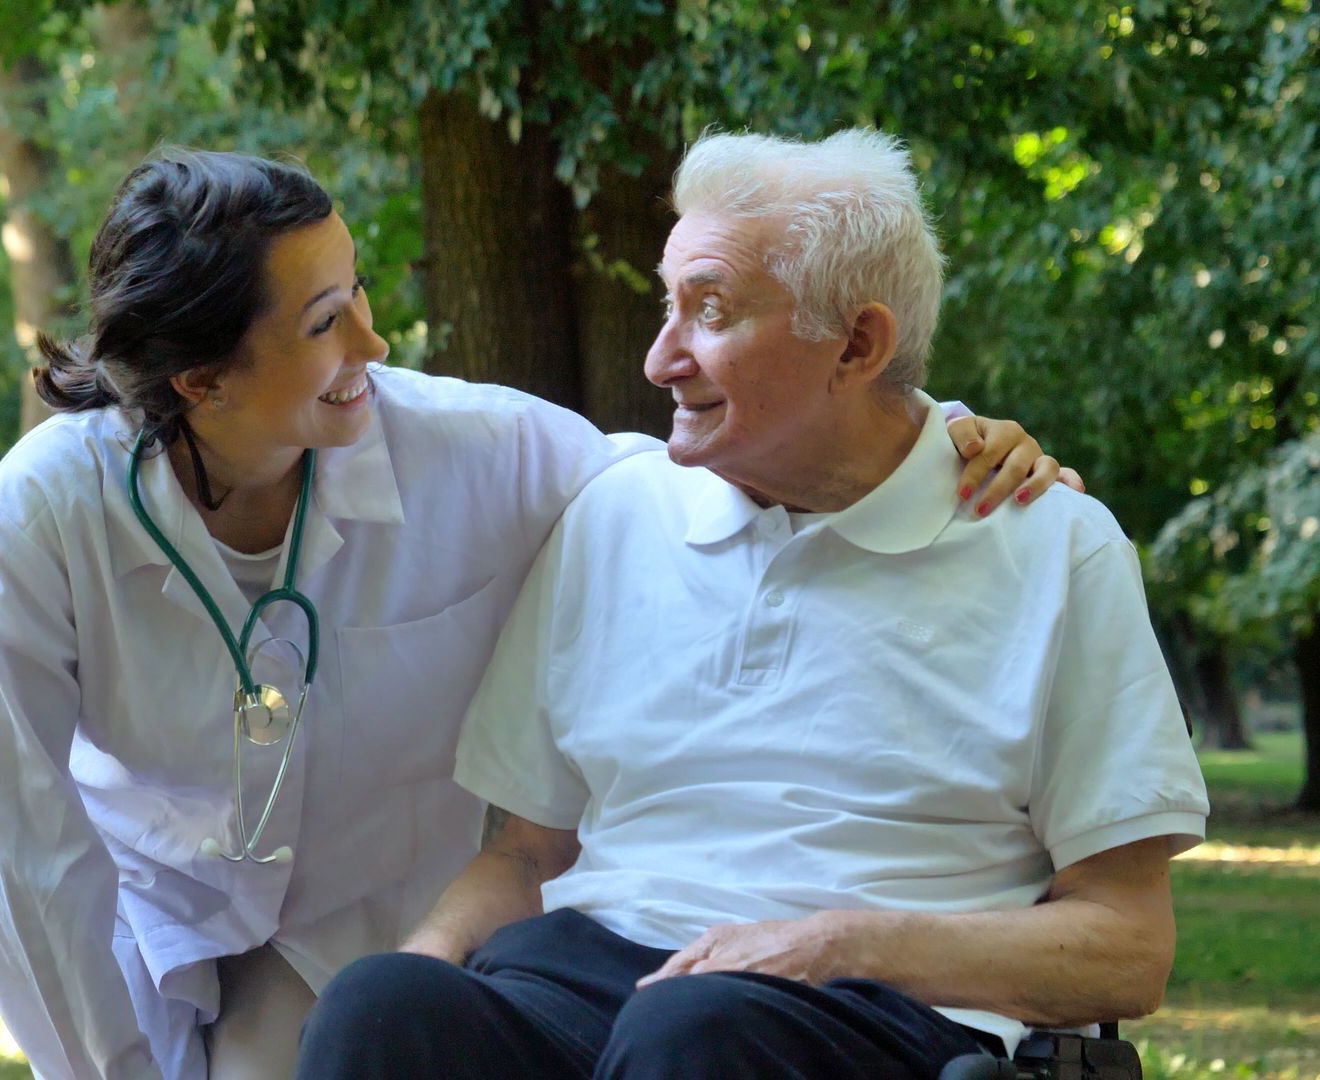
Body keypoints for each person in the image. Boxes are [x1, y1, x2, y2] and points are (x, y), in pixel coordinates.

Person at [0, 148, 1070, 1080]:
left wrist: (939, 434)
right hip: (160, 911)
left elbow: (707, 468)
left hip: (362, 925)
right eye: (326, 322)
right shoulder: (48, 513)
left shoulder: (471, 451)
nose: (376, 346)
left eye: (362, 294)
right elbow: (29, 848)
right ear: (203, 379)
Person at [296, 129, 1210, 1080]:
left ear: (856, 343)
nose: (660, 359)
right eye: (667, 306)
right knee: (380, 1005)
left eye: (712, 311)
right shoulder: (617, 511)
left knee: (694, 1036)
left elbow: (1127, 946)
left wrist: (837, 944)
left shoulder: (1052, 545)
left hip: (871, 1009)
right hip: (585, 981)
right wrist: (418, 969)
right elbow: (529, 855)